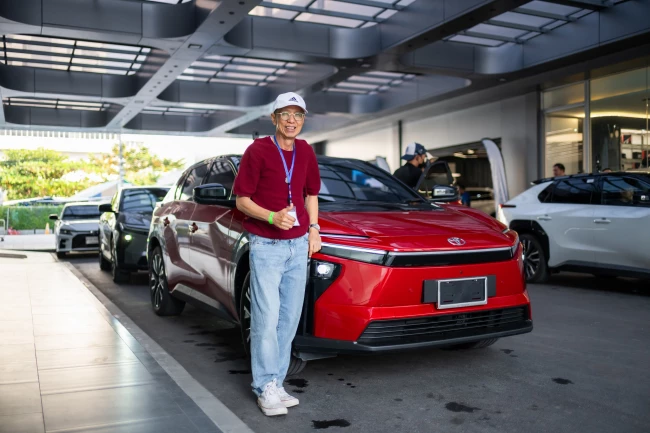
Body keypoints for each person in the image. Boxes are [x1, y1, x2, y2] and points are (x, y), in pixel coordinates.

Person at [233, 92, 321, 417]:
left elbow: (311, 194)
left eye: (298, 114)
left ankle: (276, 382)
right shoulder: (257, 150)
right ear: (274, 118)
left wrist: (314, 229)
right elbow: (242, 200)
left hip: (298, 246)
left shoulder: (306, 151)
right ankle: (263, 386)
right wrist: (271, 216)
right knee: (266, 319)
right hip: (266, 245)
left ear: (303, 119)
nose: (292, 120)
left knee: (288, 319)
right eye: (285, 114)